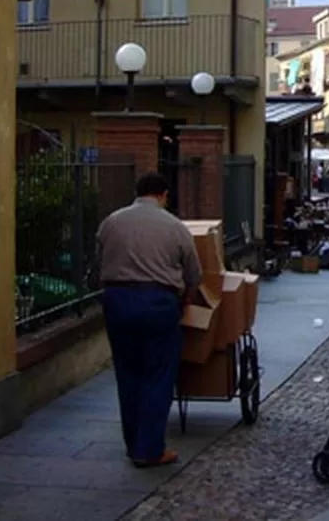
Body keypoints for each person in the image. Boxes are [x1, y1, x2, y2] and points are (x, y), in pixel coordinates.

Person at [96, 172, 200, 468]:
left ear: (137, 192)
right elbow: (193, 273)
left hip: (118, 300)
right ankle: (150, 449)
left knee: (127, 374)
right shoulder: (175, 227)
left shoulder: (111, 222)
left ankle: (133, 444)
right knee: (158, 375)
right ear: (163, 195)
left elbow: (99, 261)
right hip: (158, 302)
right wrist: (187, 299)